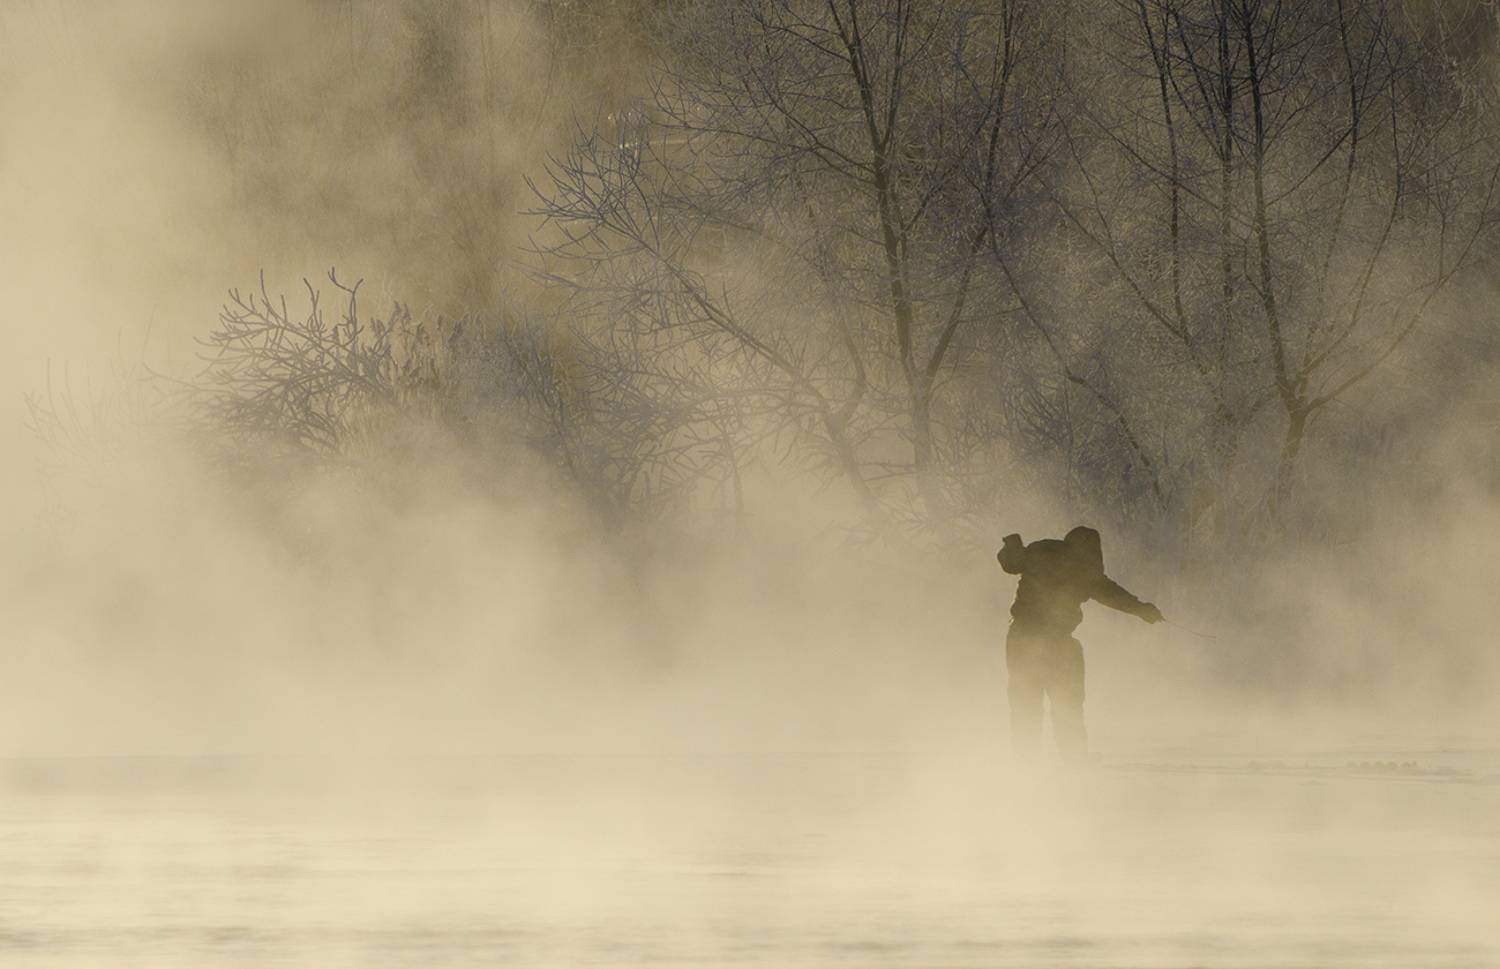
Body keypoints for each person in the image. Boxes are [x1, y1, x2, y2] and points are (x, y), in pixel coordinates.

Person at [997, 526, 1162, 762]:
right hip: (1049, 639)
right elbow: (1112, 594)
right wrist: (1142, 610)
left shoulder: (1041, 551)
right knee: (1065, 698)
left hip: (1023, 637)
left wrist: (1011, 544)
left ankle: (1029, 757)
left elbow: (1011, 563)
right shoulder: (1083, 570)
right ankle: (1070, 755)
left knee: (1028, 697)